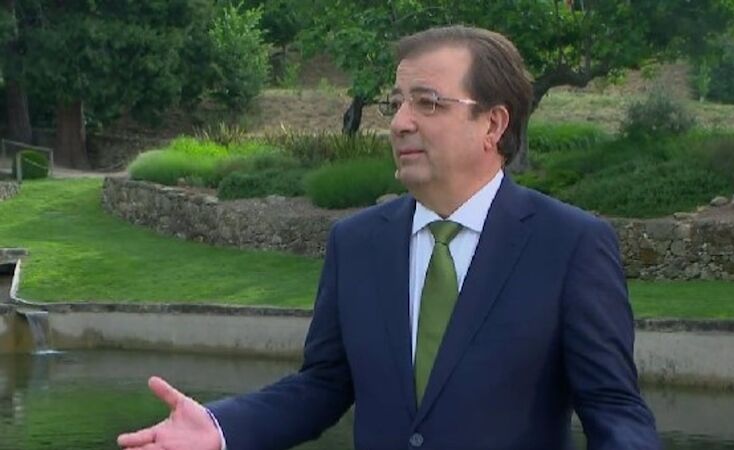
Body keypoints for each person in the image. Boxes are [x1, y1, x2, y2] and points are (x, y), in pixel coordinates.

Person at [118, 26, 660, 450]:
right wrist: (221, 428)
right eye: (395, 103)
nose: (399, 122)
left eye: (427, 102)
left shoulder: (569, 245)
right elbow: (323, 385)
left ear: (493, 124)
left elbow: (614, 407)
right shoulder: (356, 243)